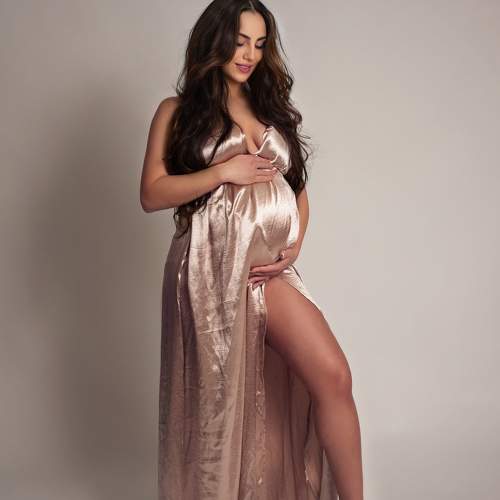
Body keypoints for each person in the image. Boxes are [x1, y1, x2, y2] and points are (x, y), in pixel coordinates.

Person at [140, 1, 363, 499]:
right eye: (240, 42)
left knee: (330, 377)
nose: (249, 55)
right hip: (209, 269)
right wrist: (223, 170)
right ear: (215, 40)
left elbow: (297, 187)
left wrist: (294, 242)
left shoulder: (268, 108)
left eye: (260, 45)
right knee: (223, 402)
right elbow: (151, 192)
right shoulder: (176, 111)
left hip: (266, 271)